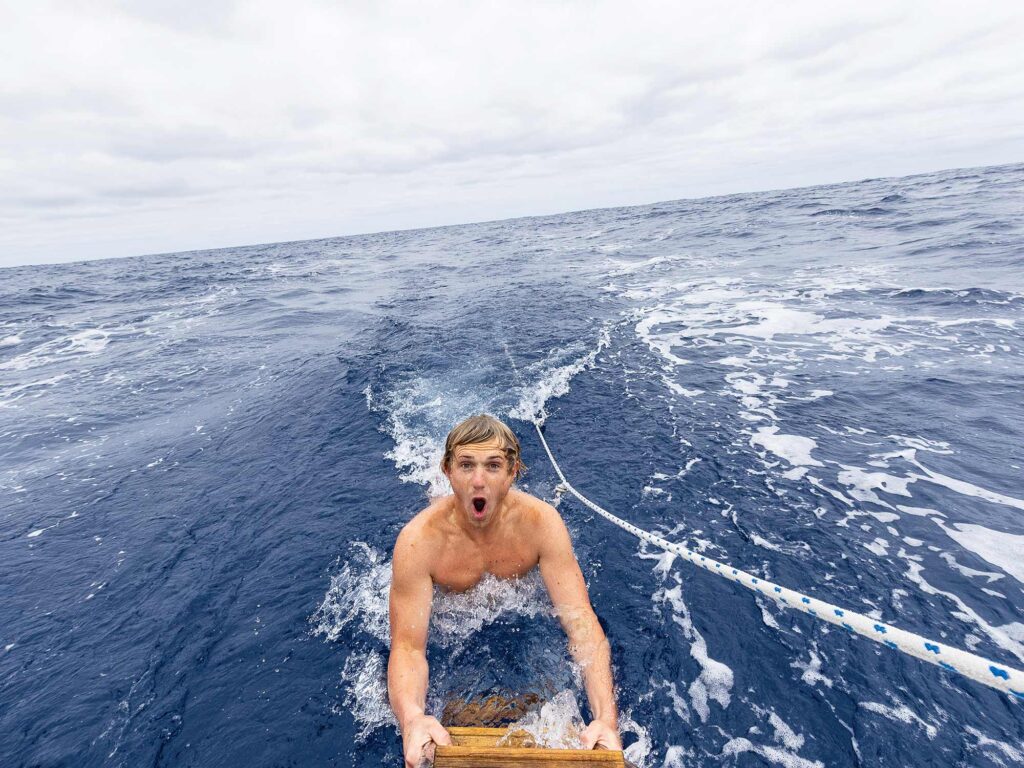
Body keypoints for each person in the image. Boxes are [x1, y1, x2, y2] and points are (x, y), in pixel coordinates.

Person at [388, 414, 621, 768]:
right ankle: (440, 495)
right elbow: (407, 646)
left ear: (513, 472)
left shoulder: (542, 524)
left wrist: (605, 718)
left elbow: (582, 625)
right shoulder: (418, 543)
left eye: (493, 466)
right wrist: (412, 719)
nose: (478, 480)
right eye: (466, 465)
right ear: (448, 470)